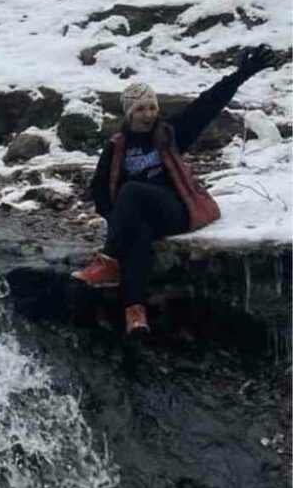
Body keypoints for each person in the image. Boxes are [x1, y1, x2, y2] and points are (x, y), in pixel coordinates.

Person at [72, 45, 278, 337]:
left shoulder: (171, 133)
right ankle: (136, 313)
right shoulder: (117, 146)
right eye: (140, 109)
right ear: (129, 114)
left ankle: (108, 260)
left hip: (176, 209)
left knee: (130, 191)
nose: (148, 114)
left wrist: (243, 73)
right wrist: (117, 219)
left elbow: (209, 103)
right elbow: (99, 191)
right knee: (138, 235)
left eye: (152, 107)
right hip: (142, 219)